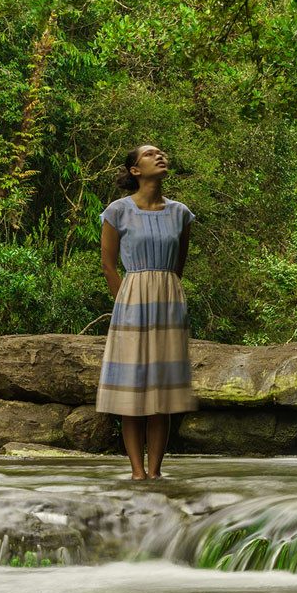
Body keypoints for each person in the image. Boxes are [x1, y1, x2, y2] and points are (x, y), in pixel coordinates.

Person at [95, 144, 197, 479]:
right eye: (151, 154)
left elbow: (178, 263)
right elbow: (108, 266)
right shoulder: (118, 211)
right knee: (132, 389)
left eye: (163, 153)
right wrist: (123, 303)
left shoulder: (180, 213)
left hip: (168, 300)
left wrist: (167, 295)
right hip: (131, 300)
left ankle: (155, 473)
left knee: (161, 392)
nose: (161, 156)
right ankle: (136, 472)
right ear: (135, 170)